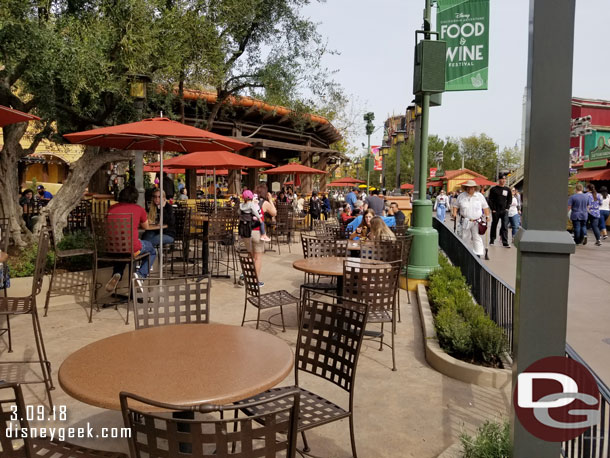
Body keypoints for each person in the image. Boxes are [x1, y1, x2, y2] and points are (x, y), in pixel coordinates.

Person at [105, 186, 157, 292]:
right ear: (135, 198)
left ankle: (117, 273)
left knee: (123, 250)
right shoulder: (138, 209)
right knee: (152, 250)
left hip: (112, 248)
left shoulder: (111, 209)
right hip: (132, 248)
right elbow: (146, 227)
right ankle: (140, 275)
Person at [241, 184, 276, 286]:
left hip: (246, 232)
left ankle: (244, 274)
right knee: (258, 258)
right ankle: (255, 281)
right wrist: (270, 200)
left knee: (250, 255)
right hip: (257, 232)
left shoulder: (250, 201)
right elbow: (274, 213)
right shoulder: (263, 203)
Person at [451, 180, 490, 258]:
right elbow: (456, 206)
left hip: (477, 221)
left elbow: (485, 207)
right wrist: (454, 213)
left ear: (475, 188)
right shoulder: (461, 196)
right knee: (465, 237)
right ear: (466, 188)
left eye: (472, 187)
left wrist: (487, 216)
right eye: (468, 187)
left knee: (477, 237)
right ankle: (464, 252)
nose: (470, 189)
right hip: (465, 220)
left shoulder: (479, 196)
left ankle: (478, 254)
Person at [488, 174, 511, 247]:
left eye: (505, 179)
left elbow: (509, 199)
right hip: (496, 210)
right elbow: (490, 200)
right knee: (494, 224)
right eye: (502, 179)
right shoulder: (494, 189)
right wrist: (493, 209)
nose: (504, 181)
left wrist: (507, 208)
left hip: (504, 210)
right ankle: (492, 240)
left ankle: (505, 241)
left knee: (504, 226)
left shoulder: (507, 189)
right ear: (499, 180)